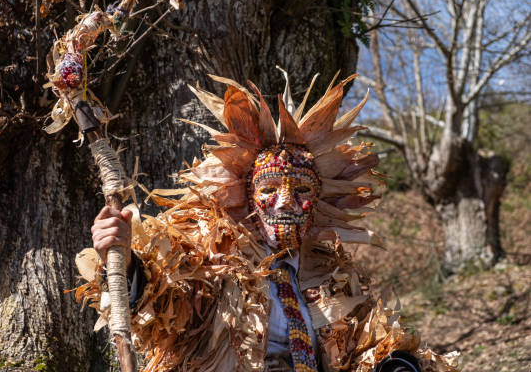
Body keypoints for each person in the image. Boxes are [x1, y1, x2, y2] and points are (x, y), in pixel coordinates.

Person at [79, 74, 459, 372]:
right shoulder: (211, 256)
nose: (284, 201)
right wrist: (128, 264)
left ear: (318, 203)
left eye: (300, 190)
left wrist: (395, 366)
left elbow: (362, 345)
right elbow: (167, 303)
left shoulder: (330, 273)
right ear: (246, 195)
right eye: (270, 188)